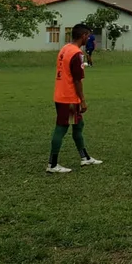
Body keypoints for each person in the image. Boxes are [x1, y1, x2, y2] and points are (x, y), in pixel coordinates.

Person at [47, 23, 102, 173]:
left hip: (61, 94)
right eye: (89, 36)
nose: (89, 38)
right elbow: (77, 80)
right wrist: (82, 100)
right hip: (69, 98)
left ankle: (85, 157)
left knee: (78, 125)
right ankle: (52, 165)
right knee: (62, 128)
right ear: (84, 36)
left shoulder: (65, 48)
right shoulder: (77, 54)